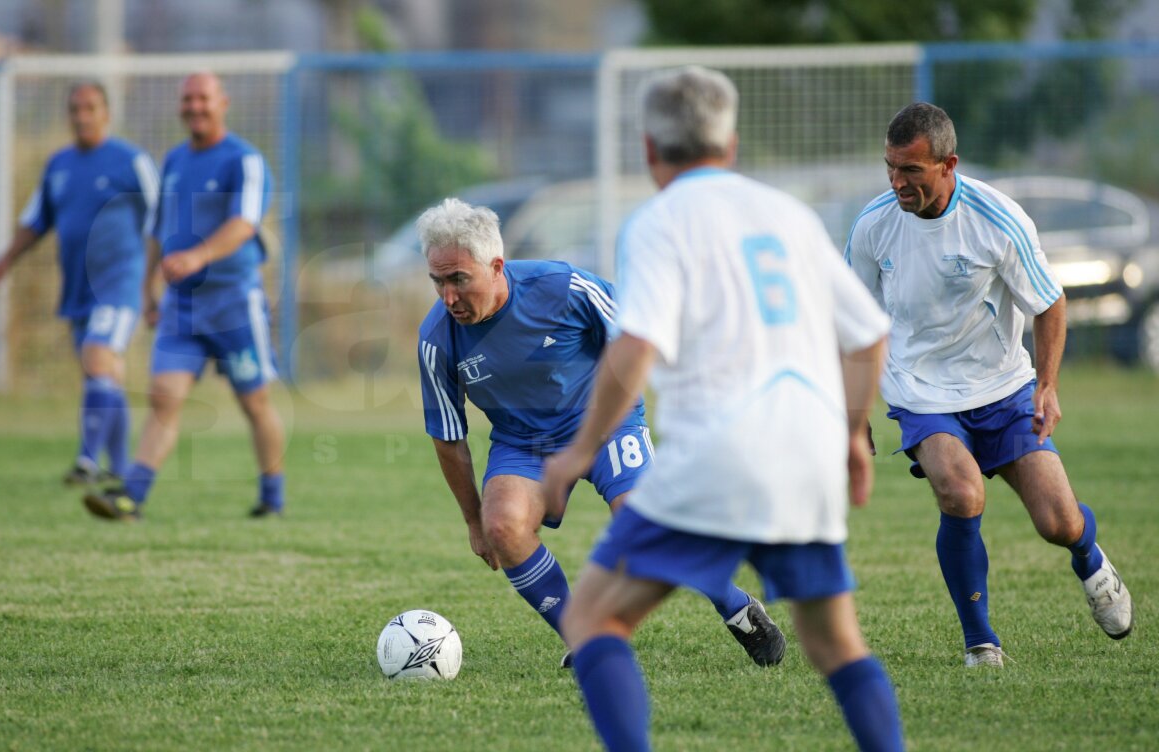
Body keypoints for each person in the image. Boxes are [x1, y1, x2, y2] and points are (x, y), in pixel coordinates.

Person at [542, 66, 903, 752]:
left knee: (592, 617)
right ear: (730, 144)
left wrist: (579, 450)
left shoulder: (659, 222)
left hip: (719, 450)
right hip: (805, 452)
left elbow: (636, 345)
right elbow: (868, 334)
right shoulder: (789, 214)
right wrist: (853, 436)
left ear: (649, 150)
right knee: (833, 641)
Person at [415, 196, 786, 669]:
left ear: (496, 266)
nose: (448, 297)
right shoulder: (436, 339)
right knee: (504, 526)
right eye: (437, 281)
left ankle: (736, 607)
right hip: (524, 445)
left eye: (458, 280)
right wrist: (474, 522)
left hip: (605, 424)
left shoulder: (563, 286)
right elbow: (448, 437)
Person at [845, 102, 1134, 667]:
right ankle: (981, 642)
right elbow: (851, 322)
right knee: (960, 491)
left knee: (1058, 521)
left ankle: (1089, 557)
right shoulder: (873, 227)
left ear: (948, 164)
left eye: (912, 171)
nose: (897, 182)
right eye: (890, 168)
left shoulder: (997, 220)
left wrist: (1046, 386)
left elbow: (1049, 303)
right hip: (921, 391)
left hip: (1003, 389)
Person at [83, 72, 285, 521]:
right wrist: (149, 291)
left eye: (203, 98)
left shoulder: (244, 160)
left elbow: (244, 225)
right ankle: (131, 496)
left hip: (234, 305)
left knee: (255, 402)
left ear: (223, 102)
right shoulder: (173, 160)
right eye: (187, 99)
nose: (195, 106)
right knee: (163, 397)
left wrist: (198, 256)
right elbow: (159, 230)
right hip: (182, 308)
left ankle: (272, 498)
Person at [0, 82, 157, 487]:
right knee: (103, 374)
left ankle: (86, 460)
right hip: (77, 287)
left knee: (98, 359)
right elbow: (36, 219)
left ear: (107, 113)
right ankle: (118, 467)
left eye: (90, 108)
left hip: (120, 282)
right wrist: (7, 259)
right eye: (75, 109)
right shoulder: (59, 165)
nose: (82, 116)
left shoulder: (131, 160)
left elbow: (163, 215)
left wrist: (156, 280)